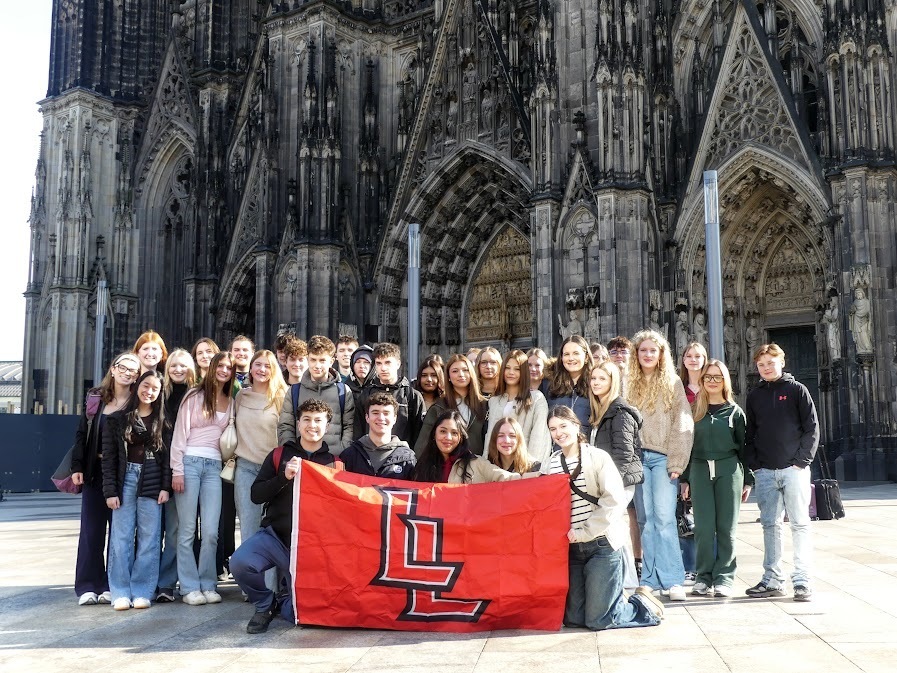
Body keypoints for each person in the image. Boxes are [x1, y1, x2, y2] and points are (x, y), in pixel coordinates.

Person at [543, 406, 663, 630]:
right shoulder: (550, 463)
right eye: (553, 429)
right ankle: (612, 600)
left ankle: (641, 605)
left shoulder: (597, 457)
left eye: (563, 426)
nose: (558, 433)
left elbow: (613, 501)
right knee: (573, 619)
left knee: (599, 620)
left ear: (576, 426)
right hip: (571, 548)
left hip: (602, 545)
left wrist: (584, 532)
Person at [230, 399, 341, 634]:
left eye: (318, 420)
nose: (312, 425)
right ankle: (265, 604)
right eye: (307, 419)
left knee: (300, 615)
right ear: (298, 424)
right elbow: (256, 495)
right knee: (240, 562)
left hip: (312, 549)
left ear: (328, 426)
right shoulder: (279, 455)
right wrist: (283, 477)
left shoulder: (336, 464)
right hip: (276, 538)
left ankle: (283, 600)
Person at [744, 343, 819, 602]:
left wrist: (802, 462)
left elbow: (812, 428)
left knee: (799, 523)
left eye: (771, 363)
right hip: (766, 471)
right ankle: (773, 579)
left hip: (793, 470)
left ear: (782, 362)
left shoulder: (797, 390)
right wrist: (755, 465)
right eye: (761, 364)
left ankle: (802, 580)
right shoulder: (754, 396)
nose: (766, 368)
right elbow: (750, 433)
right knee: (770, 525)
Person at [626, 329, 694, 602]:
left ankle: (673, 579)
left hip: (663, 458)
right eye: (643, 350)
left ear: (661, 354)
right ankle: (650, 578)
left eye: (653, 350)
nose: (648, 354)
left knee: (664, 519)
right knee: (646, 521)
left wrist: (677, 460)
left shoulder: (672, 383)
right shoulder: (628, 383)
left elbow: (683, 422)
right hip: (638, 459)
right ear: (636, 354)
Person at [71, 352, 140, 606]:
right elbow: (82, 434)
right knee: (91, 530)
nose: (127, 373)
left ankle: (112, 584)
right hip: (95, 470)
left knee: (120, 532)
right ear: (113, 369)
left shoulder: (136, 402)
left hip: (123, 473)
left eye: (133, 370)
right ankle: (88, 585)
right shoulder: (96, 398)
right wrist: (77, 465)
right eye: (123, 367)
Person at [682, 360, 752, 598]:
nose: (712, 381)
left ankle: (724, 577)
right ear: (702, 380)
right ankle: (703, 577)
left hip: (728, 470)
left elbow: (744, 448)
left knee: (726, 527)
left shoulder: (734, 412)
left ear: (725, 381)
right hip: (700, 469)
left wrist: (748, 479)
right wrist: (685, 479)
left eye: (717, 377)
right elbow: (687, 447)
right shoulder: (693, 411)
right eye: (708, 377)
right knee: (703, 528)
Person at [170, 351, 235, 606]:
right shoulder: (194, 396)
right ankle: (188, 587)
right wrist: (177, 470)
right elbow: (179, 435)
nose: (224, 371)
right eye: (221, 366)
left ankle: (208, 583)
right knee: (187, 530)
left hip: (214, 467)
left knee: (210, 531)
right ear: (212, 367)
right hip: (189, 463)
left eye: (229, 368)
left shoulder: (230, 400)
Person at [102, 370, 170, 610]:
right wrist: (110, 491)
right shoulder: (117, 419)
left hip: (152, 481)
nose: (149, 391)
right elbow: (109, 459)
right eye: (146, 386)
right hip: (125, 480)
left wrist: (165, 487)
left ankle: (142, 591)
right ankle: (120, 591)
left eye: (155, 389)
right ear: (137, 385)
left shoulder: (163, 421)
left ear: (160, 393)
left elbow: (167, 459)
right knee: (121, 538)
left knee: (149, 539)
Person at [587, 360, 643, 588]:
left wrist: (610, 486)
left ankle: (627, 581)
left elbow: (624, 454)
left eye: (602, 378)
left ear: (613, 382)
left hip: (620, 481)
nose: (596, 382)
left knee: (613, 528)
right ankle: (623, 579)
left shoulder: (620, 412)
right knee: (612, 527)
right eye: (593, 378)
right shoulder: (599, 411)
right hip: (605, 481)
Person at [234, 350, 288, 553]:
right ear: (250, 368)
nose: (262, 369)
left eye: (267, 366)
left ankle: (271, 576)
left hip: (273, 470)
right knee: (248, 528)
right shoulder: (241, 395)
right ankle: (250, 574)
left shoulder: (282, 397)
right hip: (245, 467)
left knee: (272, 532)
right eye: (258, 364)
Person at [156, 349, 197, 602]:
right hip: (166, 467)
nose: (178, 369)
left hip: (193, 467)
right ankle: (166, 582)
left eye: (183, 365)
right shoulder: (161, 394)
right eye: (174, 365)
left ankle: (190, 579)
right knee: (172, 529)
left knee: (189, 529)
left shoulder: (198, 393)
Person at [277, 335, 355, 455]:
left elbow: (349, 427)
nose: (317, 366)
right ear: (308, 359)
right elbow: (286, 426)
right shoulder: (294, 391)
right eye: (313, 360)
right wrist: (291, 452)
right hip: (301, 458)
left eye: (322, 360)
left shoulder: (343, 391)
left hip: (334, 458)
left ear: (331, 361)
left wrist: (343, 451)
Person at [412, 410, 519, 483]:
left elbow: (509, 478)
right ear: (434, 434)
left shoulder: (477, 464)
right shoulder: (422, 466)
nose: (448, 437)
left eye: (454, 433)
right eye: (443, 431)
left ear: (461, 437)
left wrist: (530, 479)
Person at [484, 349, 551, 465]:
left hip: (525, 466)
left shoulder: (537, 398)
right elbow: (490, 436)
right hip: (496, 467)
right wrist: (486, 465)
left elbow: (539, 437)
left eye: (517, 369)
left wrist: (532, 467)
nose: (511, 372)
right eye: (507, 368)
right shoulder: (494, 401)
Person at [415, 354, 488, 457]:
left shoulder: (485, 405)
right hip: (447, 464)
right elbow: (422, 445)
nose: (461, 374)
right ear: (448, 377)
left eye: (465, 370)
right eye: (455, 371)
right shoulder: (439, 407)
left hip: (478, 463)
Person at [354, 342, 425, 445]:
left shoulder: (412, 396)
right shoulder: (366, 394)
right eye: (379, 363)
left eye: (387, 363)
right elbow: (358, 430)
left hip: (403, 452)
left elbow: (420, 434)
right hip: (370, 452)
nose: (383, 368)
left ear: (398, 364)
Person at [341, 392, 417, 479]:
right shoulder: (350, 455)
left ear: (394, 418)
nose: (381, 418)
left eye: (386, 413)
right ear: (367, 417)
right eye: (375, 413)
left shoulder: (408, 459)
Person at [547, 334, 593, 427]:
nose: (571, 358)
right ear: (561, 358)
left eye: (576, 353)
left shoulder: (595, 385)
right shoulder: (551, 386)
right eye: (566, 354)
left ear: (586, 357)